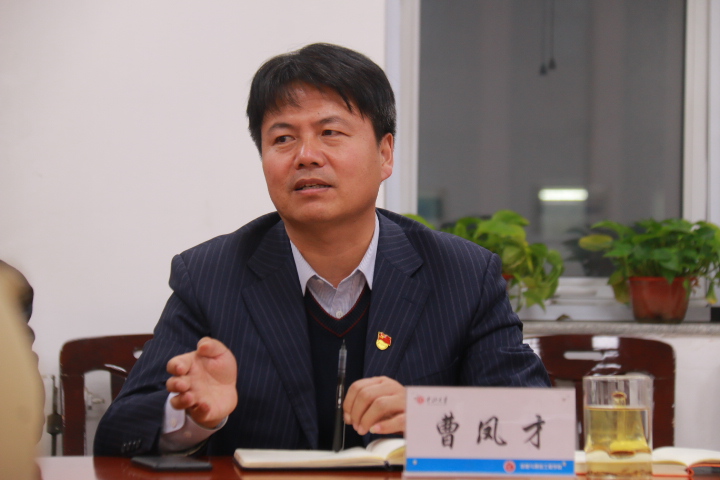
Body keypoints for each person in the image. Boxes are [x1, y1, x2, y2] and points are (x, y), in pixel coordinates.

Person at [94, 43, 550, 457]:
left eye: (330, 132)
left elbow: (542, 429)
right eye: (283, 138)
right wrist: (192, 417)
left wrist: (430, 418)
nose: (306, 155)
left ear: (385, 154)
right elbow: (116, 436)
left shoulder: (462, 275)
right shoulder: (211, 275)